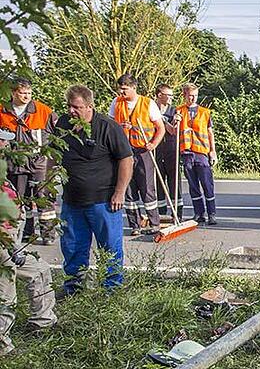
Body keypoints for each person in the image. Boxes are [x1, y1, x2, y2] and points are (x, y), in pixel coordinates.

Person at [58, 85, 133, 295]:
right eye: (69, 106)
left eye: (77, 107)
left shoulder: (108, 127)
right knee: (72, 248)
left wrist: (120, 192)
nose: (72, 111)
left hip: (104, 200)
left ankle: (112, 290)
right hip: (72, 201)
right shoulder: (63, 124)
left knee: (110, 248)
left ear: (89, 106)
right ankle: (73, 289)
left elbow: (126, 159)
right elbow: (53, 153)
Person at [0, 169, 56, 356]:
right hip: (3, 243)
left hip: (11, 241)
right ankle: (3, 348)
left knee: (39, 270)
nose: (6, 144)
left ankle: (42, 323)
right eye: (3, 140)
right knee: (5, 296)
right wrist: (10, 246)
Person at [0, 77, 59, 244]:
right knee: (21, 200)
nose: (26, 96)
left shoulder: (42, 110)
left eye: (29, 93)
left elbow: (59, 132)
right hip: (15, 164)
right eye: (22, 93)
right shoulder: (3, 111)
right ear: (13, 93)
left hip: (40, 162)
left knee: (44, 198)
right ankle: (27, 233)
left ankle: (48, 234)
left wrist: (55, 158)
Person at [109, 73, 164, 235]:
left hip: (143, 151)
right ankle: (135, 224)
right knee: (128, 188)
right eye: (120, 89)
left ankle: (154, 223)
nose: (121, 92)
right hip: (124, 151)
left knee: (147, 187)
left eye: (125, 89)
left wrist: (153, 143)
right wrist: (120, 126)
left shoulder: (148, 103)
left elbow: (160, 128)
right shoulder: (116, 103)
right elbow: (110, 125)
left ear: (133, 88)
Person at [177, 83, 218, 225]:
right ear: (184, 95)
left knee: (207, 184)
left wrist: (213, 151)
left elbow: (210, 132)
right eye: (190, 95)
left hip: (202, 153)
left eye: (195, 95)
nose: (193, 98)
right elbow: (173, 131)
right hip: (187, 154)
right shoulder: (179, 112)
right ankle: (199, 213)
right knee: (193, 186)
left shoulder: (205, 112)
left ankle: (211, 214)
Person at [153, 83, 182, 221]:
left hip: (171, 149)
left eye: (172, 95)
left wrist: (172, 122)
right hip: (156, 149)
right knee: (158, 182)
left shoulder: (174, 110)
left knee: (174, 182)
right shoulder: (150, 109)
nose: (171, 98)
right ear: (159, 95)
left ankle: (177, 214)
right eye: (168, 95)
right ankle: (161, 214)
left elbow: (174, 131)